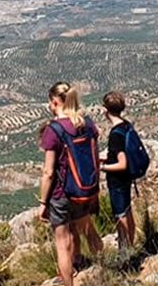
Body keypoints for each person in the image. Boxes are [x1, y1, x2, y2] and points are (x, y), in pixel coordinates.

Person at [39, 82, 103, 286]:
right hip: (84, 188)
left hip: (62, 193)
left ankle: (69, 283)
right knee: (89, 231)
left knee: (62, 242)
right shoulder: (87, 123)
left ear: (55, 101)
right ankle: (105, 273)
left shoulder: (54, 130)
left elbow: (49, 171)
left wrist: (43, 202)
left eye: (50, 102)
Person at [98, 91, 136, 251]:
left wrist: (102, 167)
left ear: (105, 110)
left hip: (118, 180)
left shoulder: (115, 134)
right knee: (127, 211)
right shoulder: (126, 125)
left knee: (121, 215)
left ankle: (125, 251)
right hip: (127, 178)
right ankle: (130, 247)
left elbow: (122, 163)